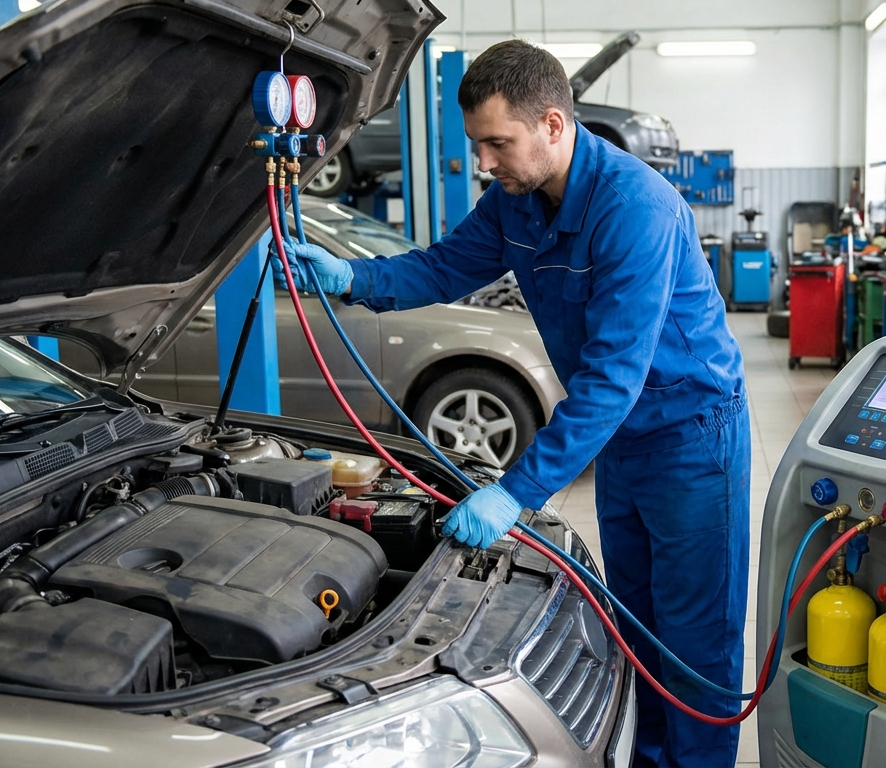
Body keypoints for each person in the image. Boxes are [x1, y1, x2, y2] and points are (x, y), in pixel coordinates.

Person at [271, 39, 750, 767]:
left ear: (553, 125)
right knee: (638, 627)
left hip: (689, 437)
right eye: (478, 145)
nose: (485, 164)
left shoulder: (634, 209)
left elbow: (613, 376)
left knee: (693, 643)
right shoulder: (515, 203)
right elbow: (443, 266)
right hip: (621, 441)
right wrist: (348, 278)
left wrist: (515, 492)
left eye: (498, 143)